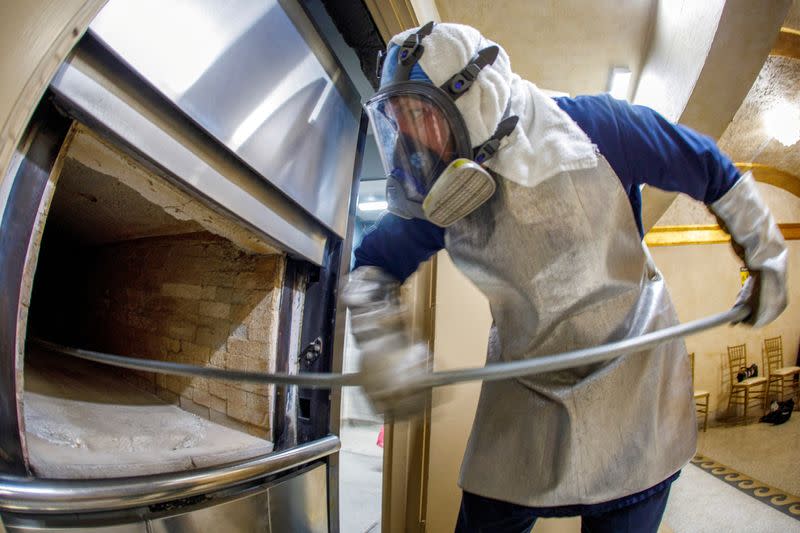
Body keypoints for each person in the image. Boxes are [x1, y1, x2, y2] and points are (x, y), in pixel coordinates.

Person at [342, 22, 787, 532]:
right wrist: (380, 340)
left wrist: (766, 255)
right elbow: (373, 263)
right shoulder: (435, 194)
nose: (414, 137)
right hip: (525, 382)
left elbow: (709, 167)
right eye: (400, 119)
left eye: (422, 113)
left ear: (474, 96)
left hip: (634, 373)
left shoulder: (595, 127)